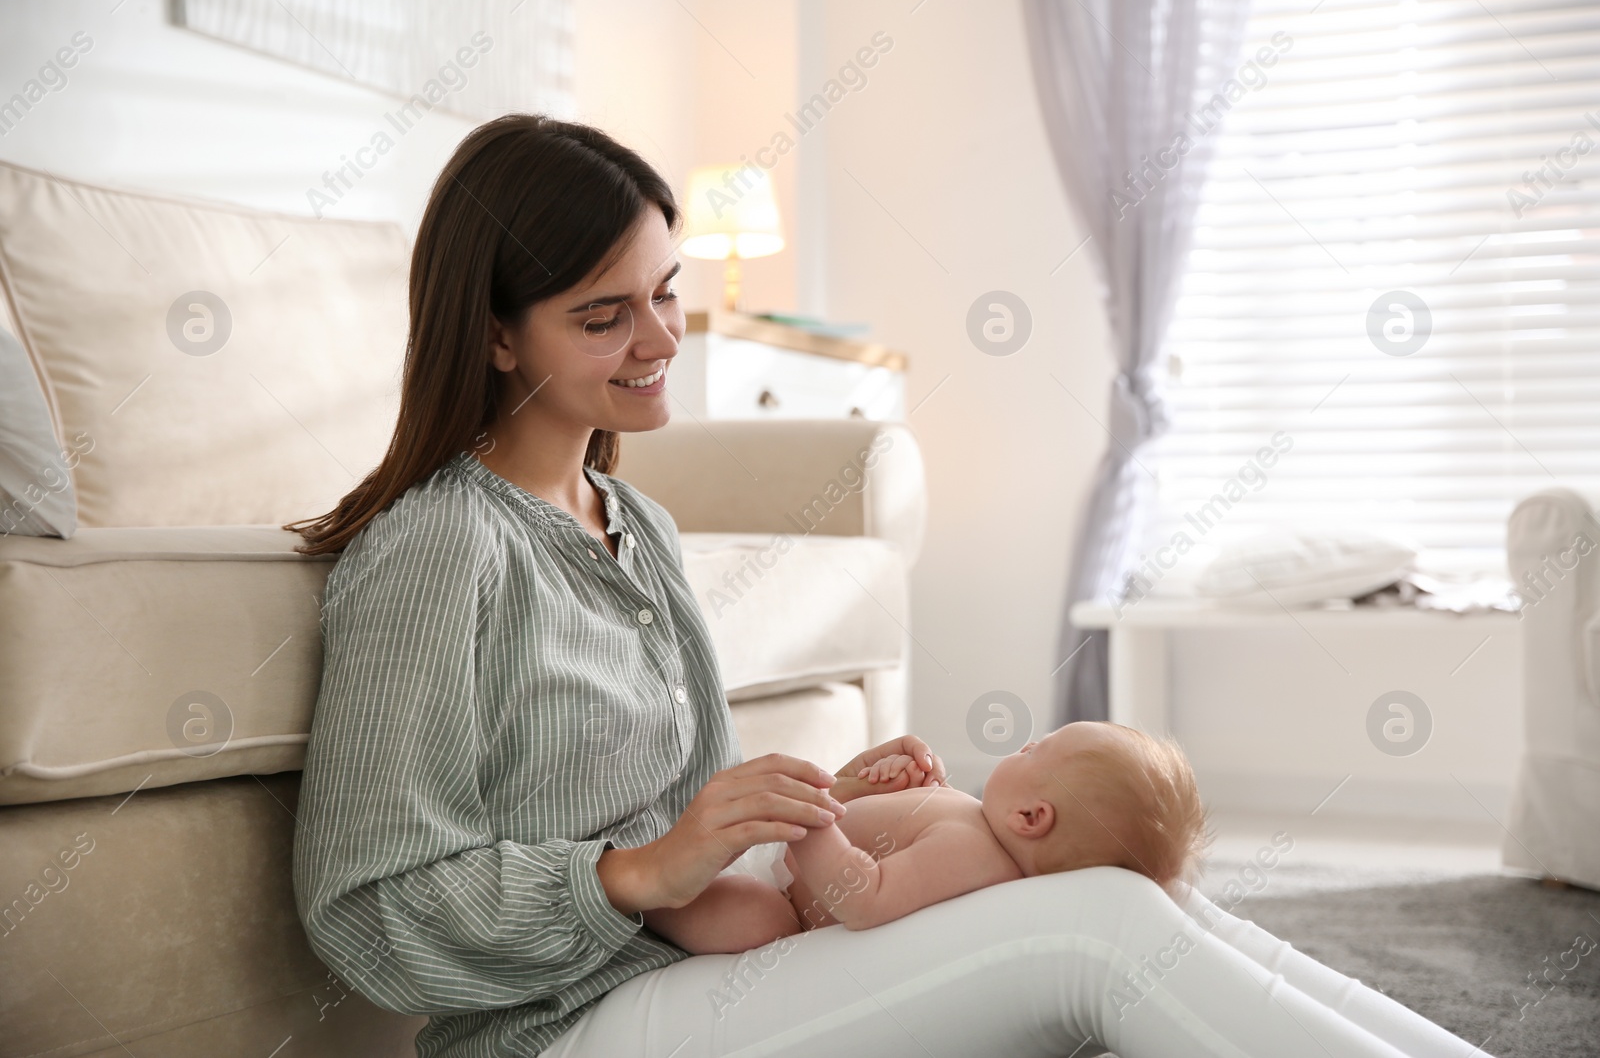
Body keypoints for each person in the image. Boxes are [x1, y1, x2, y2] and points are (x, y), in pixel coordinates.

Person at [288, 113, 1492, 1058]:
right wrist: (633, 873)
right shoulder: (440, 551)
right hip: (566, 1026)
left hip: (725, 961)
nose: (661, 339)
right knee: (1099, 935)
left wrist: (806, 805)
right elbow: (367, 913)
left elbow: (676, 801)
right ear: (497, 338)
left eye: (665, 290)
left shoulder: (636, 522)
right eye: (604, 315)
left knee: (1123, 893)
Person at [641, 722, 1209, 953]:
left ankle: (641, 915)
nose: (1023, 745)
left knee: (755, 918)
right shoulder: (979, 831)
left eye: (1035, 751)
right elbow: (891, 837)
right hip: (779, 862)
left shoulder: (975, 857)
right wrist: (874, 789)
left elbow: (864, 896)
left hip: (787, 900)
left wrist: (812, 823)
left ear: (1031, 817)